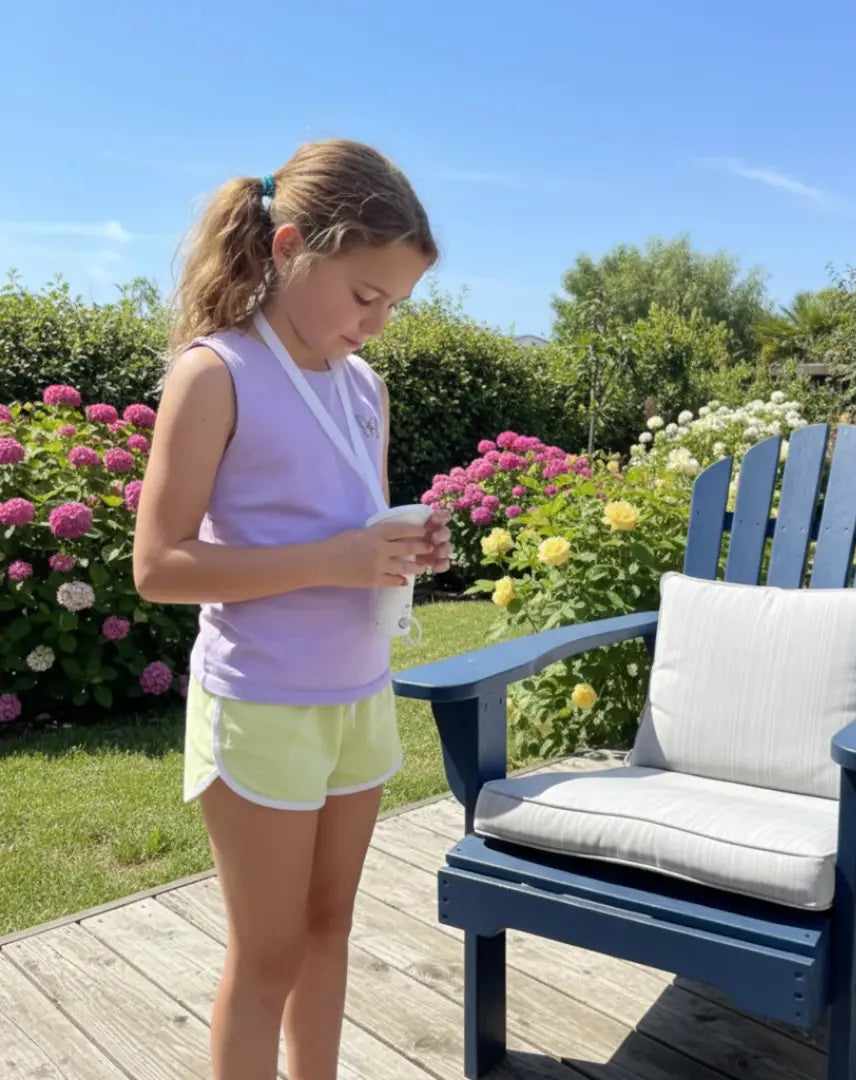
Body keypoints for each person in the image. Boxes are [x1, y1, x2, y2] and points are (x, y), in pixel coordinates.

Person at [133, 139, 452, 1080]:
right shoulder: (216, 373)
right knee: (268, 954)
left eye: (395, 306)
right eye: (365, 296)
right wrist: (333, 560)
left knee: (328, 930)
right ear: (288, 249)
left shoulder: (366, 390)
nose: (377, 324)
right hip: (262, 702)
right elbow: (159, 566)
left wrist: (399, 554)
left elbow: (352, 538)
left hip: (358, 694)